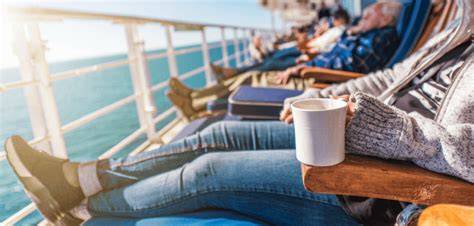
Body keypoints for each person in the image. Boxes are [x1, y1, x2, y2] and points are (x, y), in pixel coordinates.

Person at [5, 6, 473, 226]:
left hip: (385, 181)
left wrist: (389, 131)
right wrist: (320, 96)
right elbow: (387, 78)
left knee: (207, 171)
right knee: (222, 132)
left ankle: (80, 209)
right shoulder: (460, 32)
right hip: (367, 133)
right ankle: (85, 177)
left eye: (376, 7)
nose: (368, 9)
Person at [167, 2, 400, 119]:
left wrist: (304, 68)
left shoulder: (379, 39)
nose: (364, 15)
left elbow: (348, 66)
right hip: (311, 71)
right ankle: (195, 99)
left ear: (385, 19)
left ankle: (194, 103)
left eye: (370, 14)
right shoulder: (364, 34)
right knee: (252, 76)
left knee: (250, 80)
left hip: (318, 81)